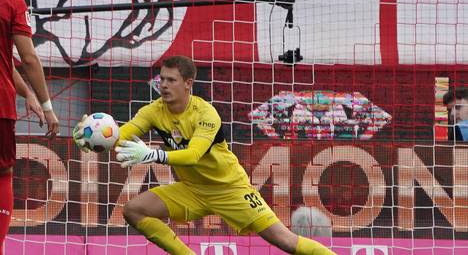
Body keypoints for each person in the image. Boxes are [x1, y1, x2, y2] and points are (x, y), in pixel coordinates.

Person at [74, 56, 335, 254]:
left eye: (171, 80)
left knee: (285, 241)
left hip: (230, 188)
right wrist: (93, 137)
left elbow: (194, 155)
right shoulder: (153, 111)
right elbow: (122, 135)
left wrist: (153, 155)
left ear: (188, 84)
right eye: (162, 79)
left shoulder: (206, 113)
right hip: (192, 190)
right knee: (134, 210)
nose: (164, 85)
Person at [0, 0, 60, 253]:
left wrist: (27, 93)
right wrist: (47, 107)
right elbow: (29, 58)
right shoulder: (11, 0)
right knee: (3, 174)